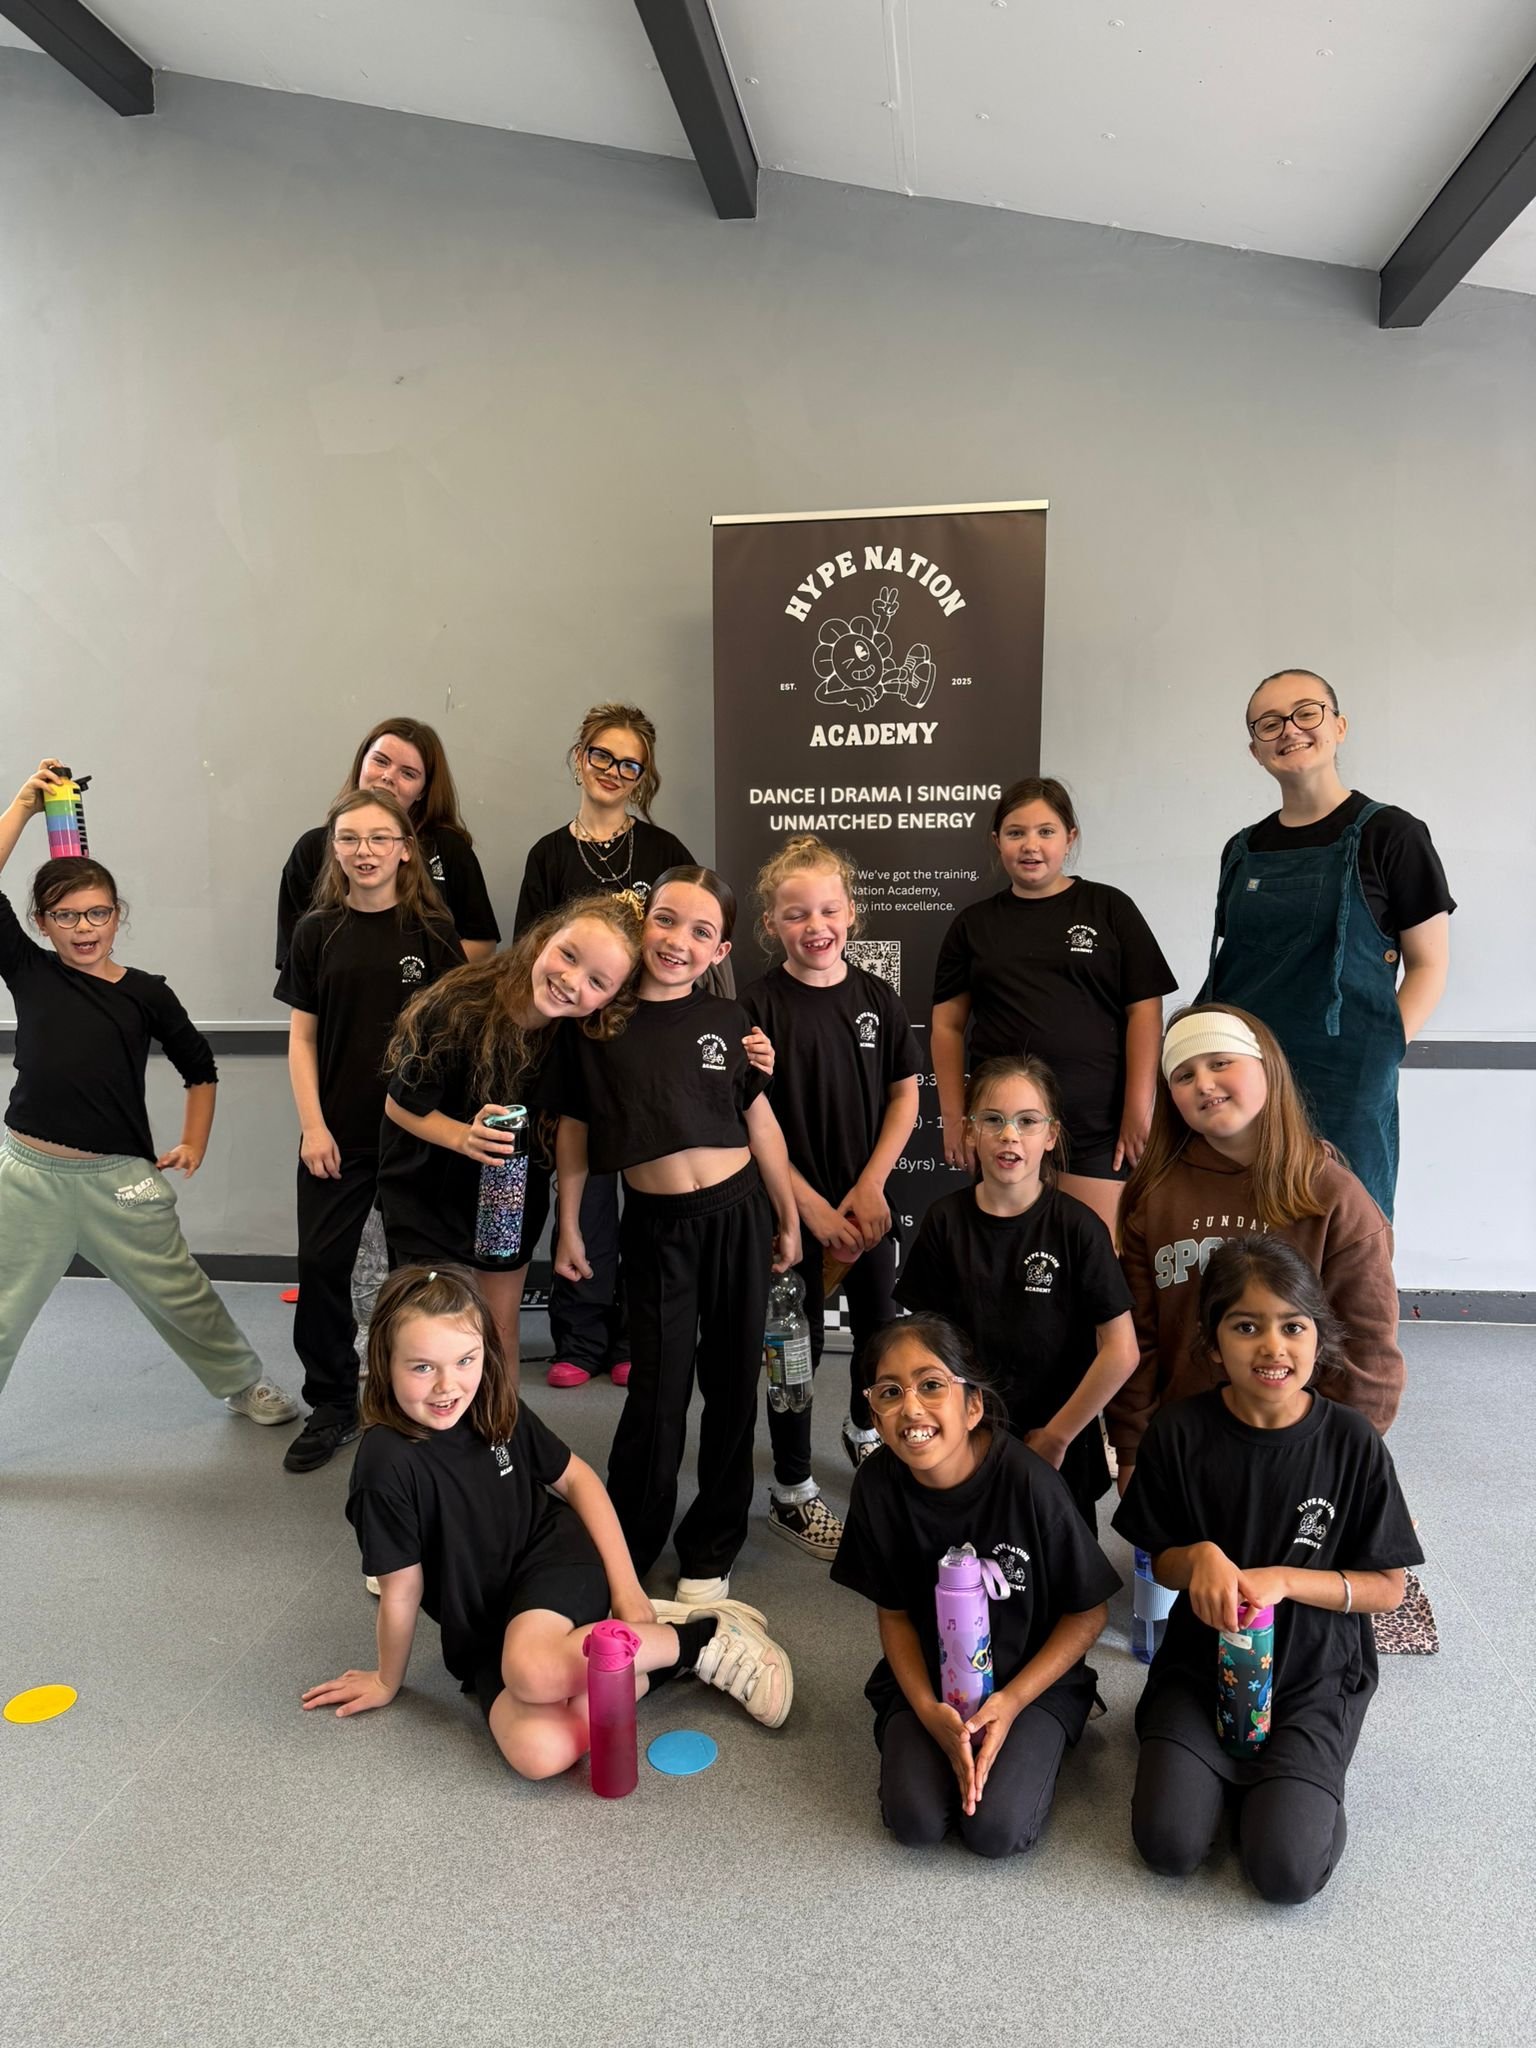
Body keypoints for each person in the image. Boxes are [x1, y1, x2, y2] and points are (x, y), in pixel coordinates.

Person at [302, 1266, 792, 1773]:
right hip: (487, 1625)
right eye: (422, 1367)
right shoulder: (383, 1466)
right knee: (541, 1753)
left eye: (465, 1360)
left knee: (533, 1671)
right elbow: (401, 1590)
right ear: (384, 1362)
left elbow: (578, 1480)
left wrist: (625, 1588)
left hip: (552, 1559)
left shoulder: (493, 1403)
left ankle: (703, 1640)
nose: (448, 1386)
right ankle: (628, 1652)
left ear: (484, 1355)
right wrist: (387, 1679)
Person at [1113, 1235, 1422, 1904]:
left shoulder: (1351, 1443)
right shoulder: (1178, 1432)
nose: (1273, 1347)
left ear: (1319, 1335)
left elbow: (1388, 1588)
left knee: (1285, 1872)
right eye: (1246, 1326)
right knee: (1168, 1846)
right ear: (1213, 1341)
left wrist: (1284, 1579)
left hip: (1311, 1674)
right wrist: (1193, 1558)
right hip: (1200, 1669)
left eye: (1293, 1326)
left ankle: (1287, 1786)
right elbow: (1160, 1560)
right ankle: (1213, 1774)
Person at [0, 760, 296, 1427]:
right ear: (42, 923)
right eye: (67, 916)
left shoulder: (147, 994)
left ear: (118, 915)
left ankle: (243, 1383)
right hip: (28, 1179)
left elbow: (200, 1066)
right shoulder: (28, 971)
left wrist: (195, 1139)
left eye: (97, 912)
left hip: (119, 1183)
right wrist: (22, 804)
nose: (84, 927)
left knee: (183, 1296)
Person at [554, 868, 801, 1606]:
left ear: (720, 948)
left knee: (731, 1387)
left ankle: (712, 1544)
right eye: (665, 922)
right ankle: (629, 1537)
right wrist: (568, 1224)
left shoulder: (732, 1023)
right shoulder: (598, 1023)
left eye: (700, 932)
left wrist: (787, 1215)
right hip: (657, 1231)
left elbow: (761, 1124)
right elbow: (573, 1129)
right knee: (657, 1395)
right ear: (641, 924)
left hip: (740, 1215)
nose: (678, 942)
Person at [830, 1314, 1120, 1859]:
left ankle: (1053, 1732)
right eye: (890, 1393)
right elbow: (893, 1615)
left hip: (1028, 1682)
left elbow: (1089, 1613)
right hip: (931, 1681)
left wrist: (1010, 1703)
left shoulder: (1030, 1483)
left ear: (973, 1406)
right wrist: (925, 1709)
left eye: (931, 1384)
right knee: (915, 1820)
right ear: (875, 1413)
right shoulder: (877, 1486)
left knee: (996, 1830)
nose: (911, 1408)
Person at [1107, 1005, 1405, 1489]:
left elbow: (1368, 1350)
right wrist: (1133, 1449)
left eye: (1221, 1062)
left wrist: (1338, 1455)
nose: (1203, 1082)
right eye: (1183, 1074)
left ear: (1267, 1066)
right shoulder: (1155, 1197)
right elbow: (1137, 1341)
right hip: (1188, 1447)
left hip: (1301, 1451)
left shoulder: (1333, 1195)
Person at [1202, 668, 1454, 1219]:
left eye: (1306, 713)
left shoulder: (1392, 835)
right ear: (1255, 750)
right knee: (1247, 1240)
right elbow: (1232, 964)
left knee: (1345, 1237)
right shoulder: (1242, 849)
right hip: (1247, 1078)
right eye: (1269, 724)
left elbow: (1430, 965)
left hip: (1347, 1082)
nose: (1289, 730)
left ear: (1338, 726)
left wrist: (1381, 1052)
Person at [275, 787, 463, 1473]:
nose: (364, 852)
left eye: (379, 838)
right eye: (349, 839)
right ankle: (331, 1402)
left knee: (422, 1275)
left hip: (416, 1136)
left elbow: (456, 1039)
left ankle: (425, 1398)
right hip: (338, 1135)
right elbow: (301, 1039)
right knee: (323, 1266)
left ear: (405, 850)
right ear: (334, 850)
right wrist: (312, 1126)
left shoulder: (432, 932)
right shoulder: (315, 930)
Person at [739, 834, 920, 1546]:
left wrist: (872, 1186)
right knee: (793, 1349)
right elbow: (748, 1122)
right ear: (771, 925)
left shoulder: (877, 996)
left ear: (852, 914)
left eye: (828, 910)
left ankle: (861, 1428)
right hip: (788, 1215)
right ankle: (791, 1486)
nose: (815, 927)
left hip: (868, 1214)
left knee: (880, 1334)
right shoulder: (755, 1007)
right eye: (795, 914)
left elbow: (905, 1096)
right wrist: (807, 1208)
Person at [377, 894, 644, 1378]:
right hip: (426, 1195)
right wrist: (463, 1137)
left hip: (507, 1203)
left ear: (612, 997)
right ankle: (423, 1446)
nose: (570, 980)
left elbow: (571, 1135)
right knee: (431, 1333)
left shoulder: (581, 1040)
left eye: (597, 981)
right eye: (568, 955)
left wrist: (570, 1228)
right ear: (544, 940)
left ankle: (498, 1441)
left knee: (498, 1332)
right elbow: (399, 1104)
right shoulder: (458, 1005)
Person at [514, 703, 698, 1391]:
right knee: (584, 1192)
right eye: (603, 756)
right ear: (579, 757)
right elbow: (532, 955)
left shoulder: (664, 852)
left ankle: (631, 1335)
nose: (614, 772)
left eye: (630, 764)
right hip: (571, 1049)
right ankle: (580, 1336)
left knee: (648, 1200)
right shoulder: (548, 855)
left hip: (646, 1046)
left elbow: (685, 949)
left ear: (643, 777)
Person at [896, 1056, 1137, 1530]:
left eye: (1027, 1122)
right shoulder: (944, 1221)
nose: (1010, 1135)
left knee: (1063, 1579)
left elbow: (1122, 1351)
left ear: (1050, 1135)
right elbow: (920, 1344)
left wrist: (1058, 1436)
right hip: (967, 1434)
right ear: (969, 1132)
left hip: (1058, 1435)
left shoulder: (1078, 1228)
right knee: (969, 1569)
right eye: (993, 1120)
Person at [932, 777, 1176, 1235]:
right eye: (1015, 832)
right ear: (996, 841)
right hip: (1006, 1129)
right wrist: (954, 1120)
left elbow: (1145, 1011)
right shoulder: (973, 925)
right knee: (1012, 1260)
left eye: (1046, 831)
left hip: (1096, 1124)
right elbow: (946, 1026)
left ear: (1070, 837)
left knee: (1097, 1261)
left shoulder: (1109, 908)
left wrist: (1137, 1110)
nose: (1031, 845)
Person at [276, 717, 499, 972]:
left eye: (408, 773)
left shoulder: (449, 848)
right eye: (380, 761)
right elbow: (295, 961)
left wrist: (409, 982)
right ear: (361, 763)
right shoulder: (311, 849)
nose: (388, 777)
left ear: (423, 791)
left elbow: (482, 943)